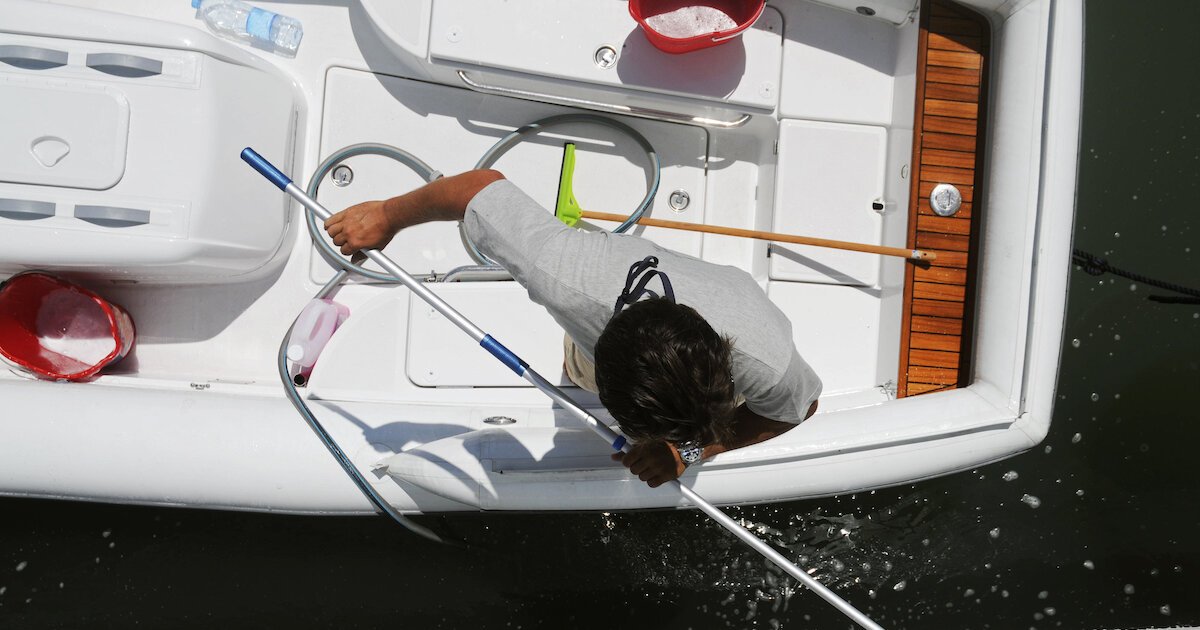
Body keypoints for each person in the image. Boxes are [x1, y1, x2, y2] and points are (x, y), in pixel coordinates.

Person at [323, 170, 822, 488]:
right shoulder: (566, 277)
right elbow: (475, 188)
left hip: (729, 348)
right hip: (597, 340)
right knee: (575, 365)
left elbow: (798, 410)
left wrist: (690, 449)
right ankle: (581, 367)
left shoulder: (768, 363)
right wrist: (387, 214)